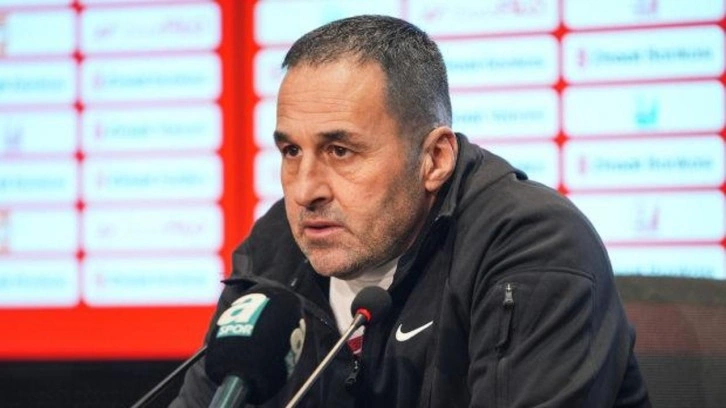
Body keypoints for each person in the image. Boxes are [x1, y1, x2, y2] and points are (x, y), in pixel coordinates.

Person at [172, 15, 650, 407]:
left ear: (434, 159)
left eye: (340, 151)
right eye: (291, 151)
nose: (304, 190)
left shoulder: (532, 246)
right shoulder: (275, 250)